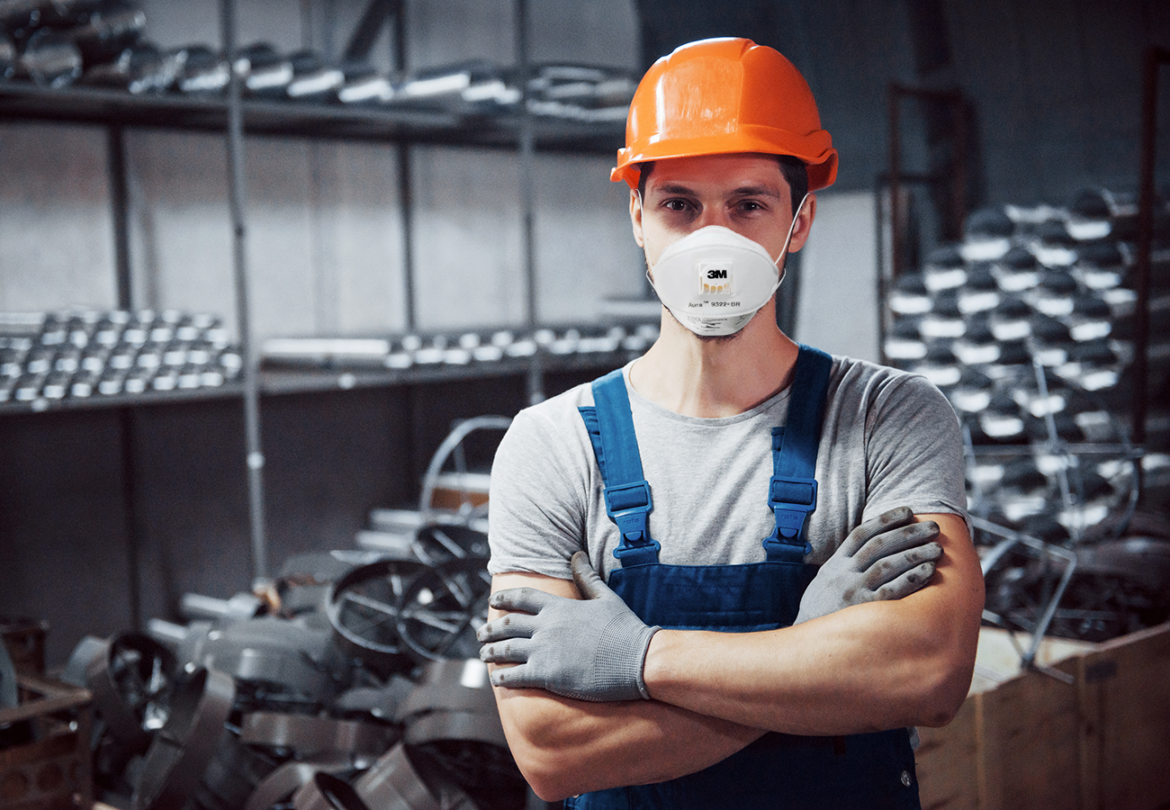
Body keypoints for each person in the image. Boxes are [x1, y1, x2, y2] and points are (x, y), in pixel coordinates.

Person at [477, 37, 984, 809]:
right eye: (681, 205)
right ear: (638, 219)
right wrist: (806, 658)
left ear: (801, 220)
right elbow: (552, 750)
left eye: (748, 205)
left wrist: (639, 658)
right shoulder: (551, 445)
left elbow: (925, 673)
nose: (713, 241)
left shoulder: (889, 417)